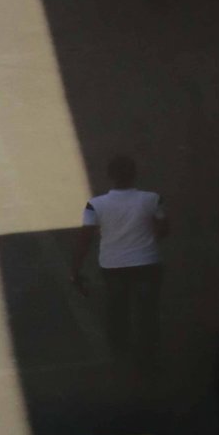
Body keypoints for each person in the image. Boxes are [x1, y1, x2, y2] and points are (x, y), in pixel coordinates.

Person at [71, 153, 167, 362]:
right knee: (148, 312)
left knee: (117, 309)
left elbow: (85, 238)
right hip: (147, 263)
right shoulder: (153, 198)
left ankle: (120, 353)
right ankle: (149, 357)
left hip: (113, 265)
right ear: (135, 174)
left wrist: (75, 269)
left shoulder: (94, 205)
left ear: (110, 176)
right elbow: (163, 228)